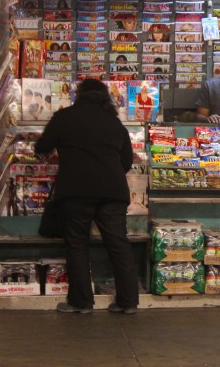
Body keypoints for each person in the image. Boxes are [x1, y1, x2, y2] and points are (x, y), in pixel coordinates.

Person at [35, 79, 138, 314]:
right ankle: (128, 301)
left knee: (77, 244)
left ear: (79, 95)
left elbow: (43, 147)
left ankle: (81, 302)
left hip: (76, 190)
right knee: (118, 243)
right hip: (113, 191)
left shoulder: (65, 117)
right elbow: (126, 161)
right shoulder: (114, 123)